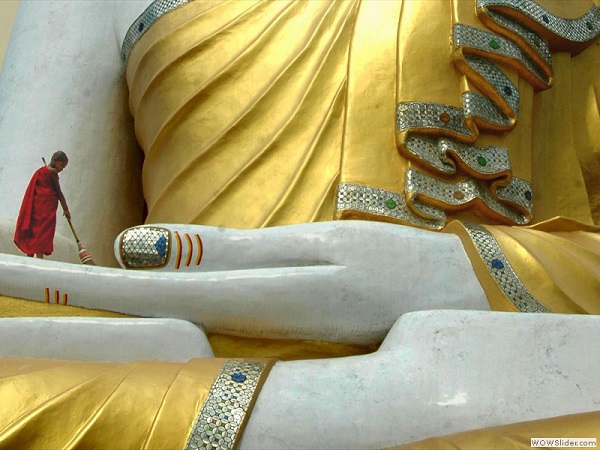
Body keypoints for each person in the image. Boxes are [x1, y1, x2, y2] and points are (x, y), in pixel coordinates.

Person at [13, 151, 71, 259]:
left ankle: (29, 256)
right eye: (61, 165)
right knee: (42, 234)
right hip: (45, 210)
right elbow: (59, 193)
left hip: (36, 208)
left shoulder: (42, 171)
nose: (61, 169)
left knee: (33, 233)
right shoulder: (52, 172)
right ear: (55, 160)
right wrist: (66, 209)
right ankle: (39, 259)